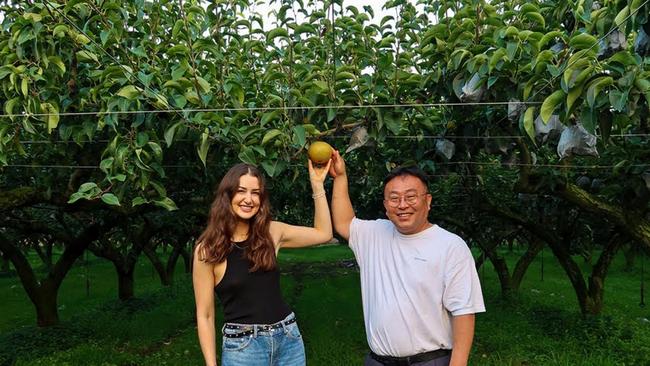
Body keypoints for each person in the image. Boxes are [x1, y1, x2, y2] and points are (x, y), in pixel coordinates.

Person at [329, 150, 485, 366]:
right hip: (378, 361)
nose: (402, 205)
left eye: (411, 197)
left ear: (428, 201)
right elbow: (344, 223)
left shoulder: (450, 246)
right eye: (394, 198)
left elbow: (464, 312)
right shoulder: (374, 235)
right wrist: (339, 177)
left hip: (429, 361)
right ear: (385, 206)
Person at [193, 160, 332, 366]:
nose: (248, 199)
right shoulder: (208, 250)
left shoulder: (271, 232)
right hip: (243, 348)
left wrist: (317, 185)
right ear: (227, 195)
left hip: (288, 339)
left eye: (255, 193)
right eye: (241, 191)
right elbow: (205, 315)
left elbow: (324, 234)